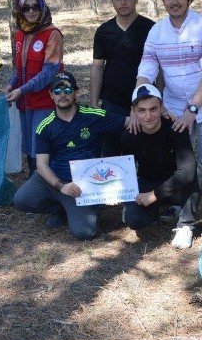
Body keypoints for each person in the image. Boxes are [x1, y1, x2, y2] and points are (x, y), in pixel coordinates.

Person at [136, 0, 202, 218]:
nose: (174, 2)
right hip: (174, 105)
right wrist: (138, 101)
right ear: (163, 0)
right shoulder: (156, 32)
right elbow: (146, 69)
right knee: (179, 162)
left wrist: (193, 110)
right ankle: (180, 204)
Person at [12, 71, 132, 240]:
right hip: (56, 181)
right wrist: (61, 186)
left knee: (85, 233)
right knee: (21, 199)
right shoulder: (45, 126)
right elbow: (41, 165)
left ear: (77, 92)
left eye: (68, 90)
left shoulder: (93, 116)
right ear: (51, 95)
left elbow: (129, 121)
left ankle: (85, 207)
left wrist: (154, 116)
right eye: (57, 91)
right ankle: (59, 208)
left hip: (84, 185)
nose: (62, 95)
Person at [118, 84, 199, 248]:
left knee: (196, 173)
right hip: (148, 181)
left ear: (162, 107)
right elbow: (125, 170)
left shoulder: (176, 128)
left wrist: (153, 196)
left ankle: (185, 225)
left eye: (153, 109)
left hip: (176, 182)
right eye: (142, 110)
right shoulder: (129, 135)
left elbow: (186, 173)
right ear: (134, 111)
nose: (148, 116)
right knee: (133, 220)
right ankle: (159, 209)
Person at [89, 0, 154, 157]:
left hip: (145, 102)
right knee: (111, 153)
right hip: (112, 103)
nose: (123, 2)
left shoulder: (151, 29)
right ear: (112, 1)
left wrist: (160, 97)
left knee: (146, 153)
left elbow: (160, 67)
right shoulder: (104, 31)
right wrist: (94, 103)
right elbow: (97, 67)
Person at [6, 0, 63, 174]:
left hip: (44, 101)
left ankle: (45, 183)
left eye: (35, 7)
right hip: (24, 102)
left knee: (41, 143)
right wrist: (11, 84)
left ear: (42, 8)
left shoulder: (52, 34)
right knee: (29, 143)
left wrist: (22, 89)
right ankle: (33, 178)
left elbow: (49, 73)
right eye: (26, 8)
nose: (31, 12)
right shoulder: (20, 34)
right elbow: (19, 68)